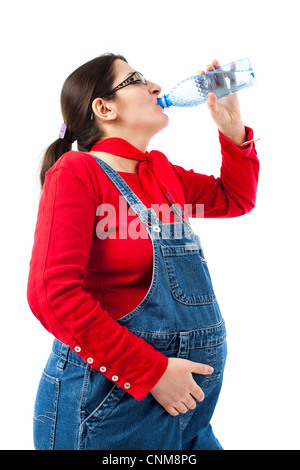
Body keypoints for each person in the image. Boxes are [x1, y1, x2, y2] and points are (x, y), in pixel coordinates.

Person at [27, 53, 259, 450]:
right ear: (105, 107)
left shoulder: (160, 171)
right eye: (135, 79)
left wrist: (232, 129)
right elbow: (51, 295)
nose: (155, 86)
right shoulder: (76, 172)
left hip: (189, 410)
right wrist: (150, 372)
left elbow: (234, 198)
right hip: (112, 408)